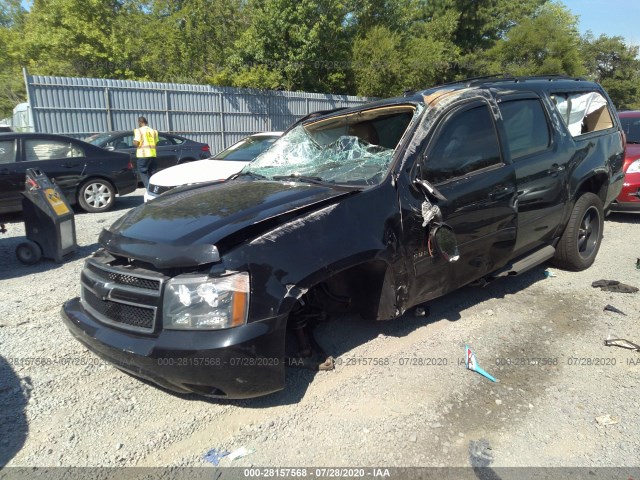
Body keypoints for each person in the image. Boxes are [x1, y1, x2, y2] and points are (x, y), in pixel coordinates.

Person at [133, 116, 158, 188]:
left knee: (143, 172)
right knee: (152, 173)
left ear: (139, 122)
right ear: (146, 122)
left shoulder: (138, 130)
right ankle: (155, 189)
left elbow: (136, 143)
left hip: (143, 155)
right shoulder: (154, 131)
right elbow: (156, 143)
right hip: (153, 155)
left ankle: (149, 189)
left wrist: (133, 141)